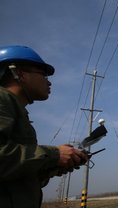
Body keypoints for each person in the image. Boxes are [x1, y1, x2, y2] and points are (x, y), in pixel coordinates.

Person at [0, 45, 88, 208]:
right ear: (19, 74)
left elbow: (18, 177)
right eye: (43, 75)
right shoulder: (2, 99)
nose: (49, 82)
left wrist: (54, 165)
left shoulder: (17, 110)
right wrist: (54, 154)